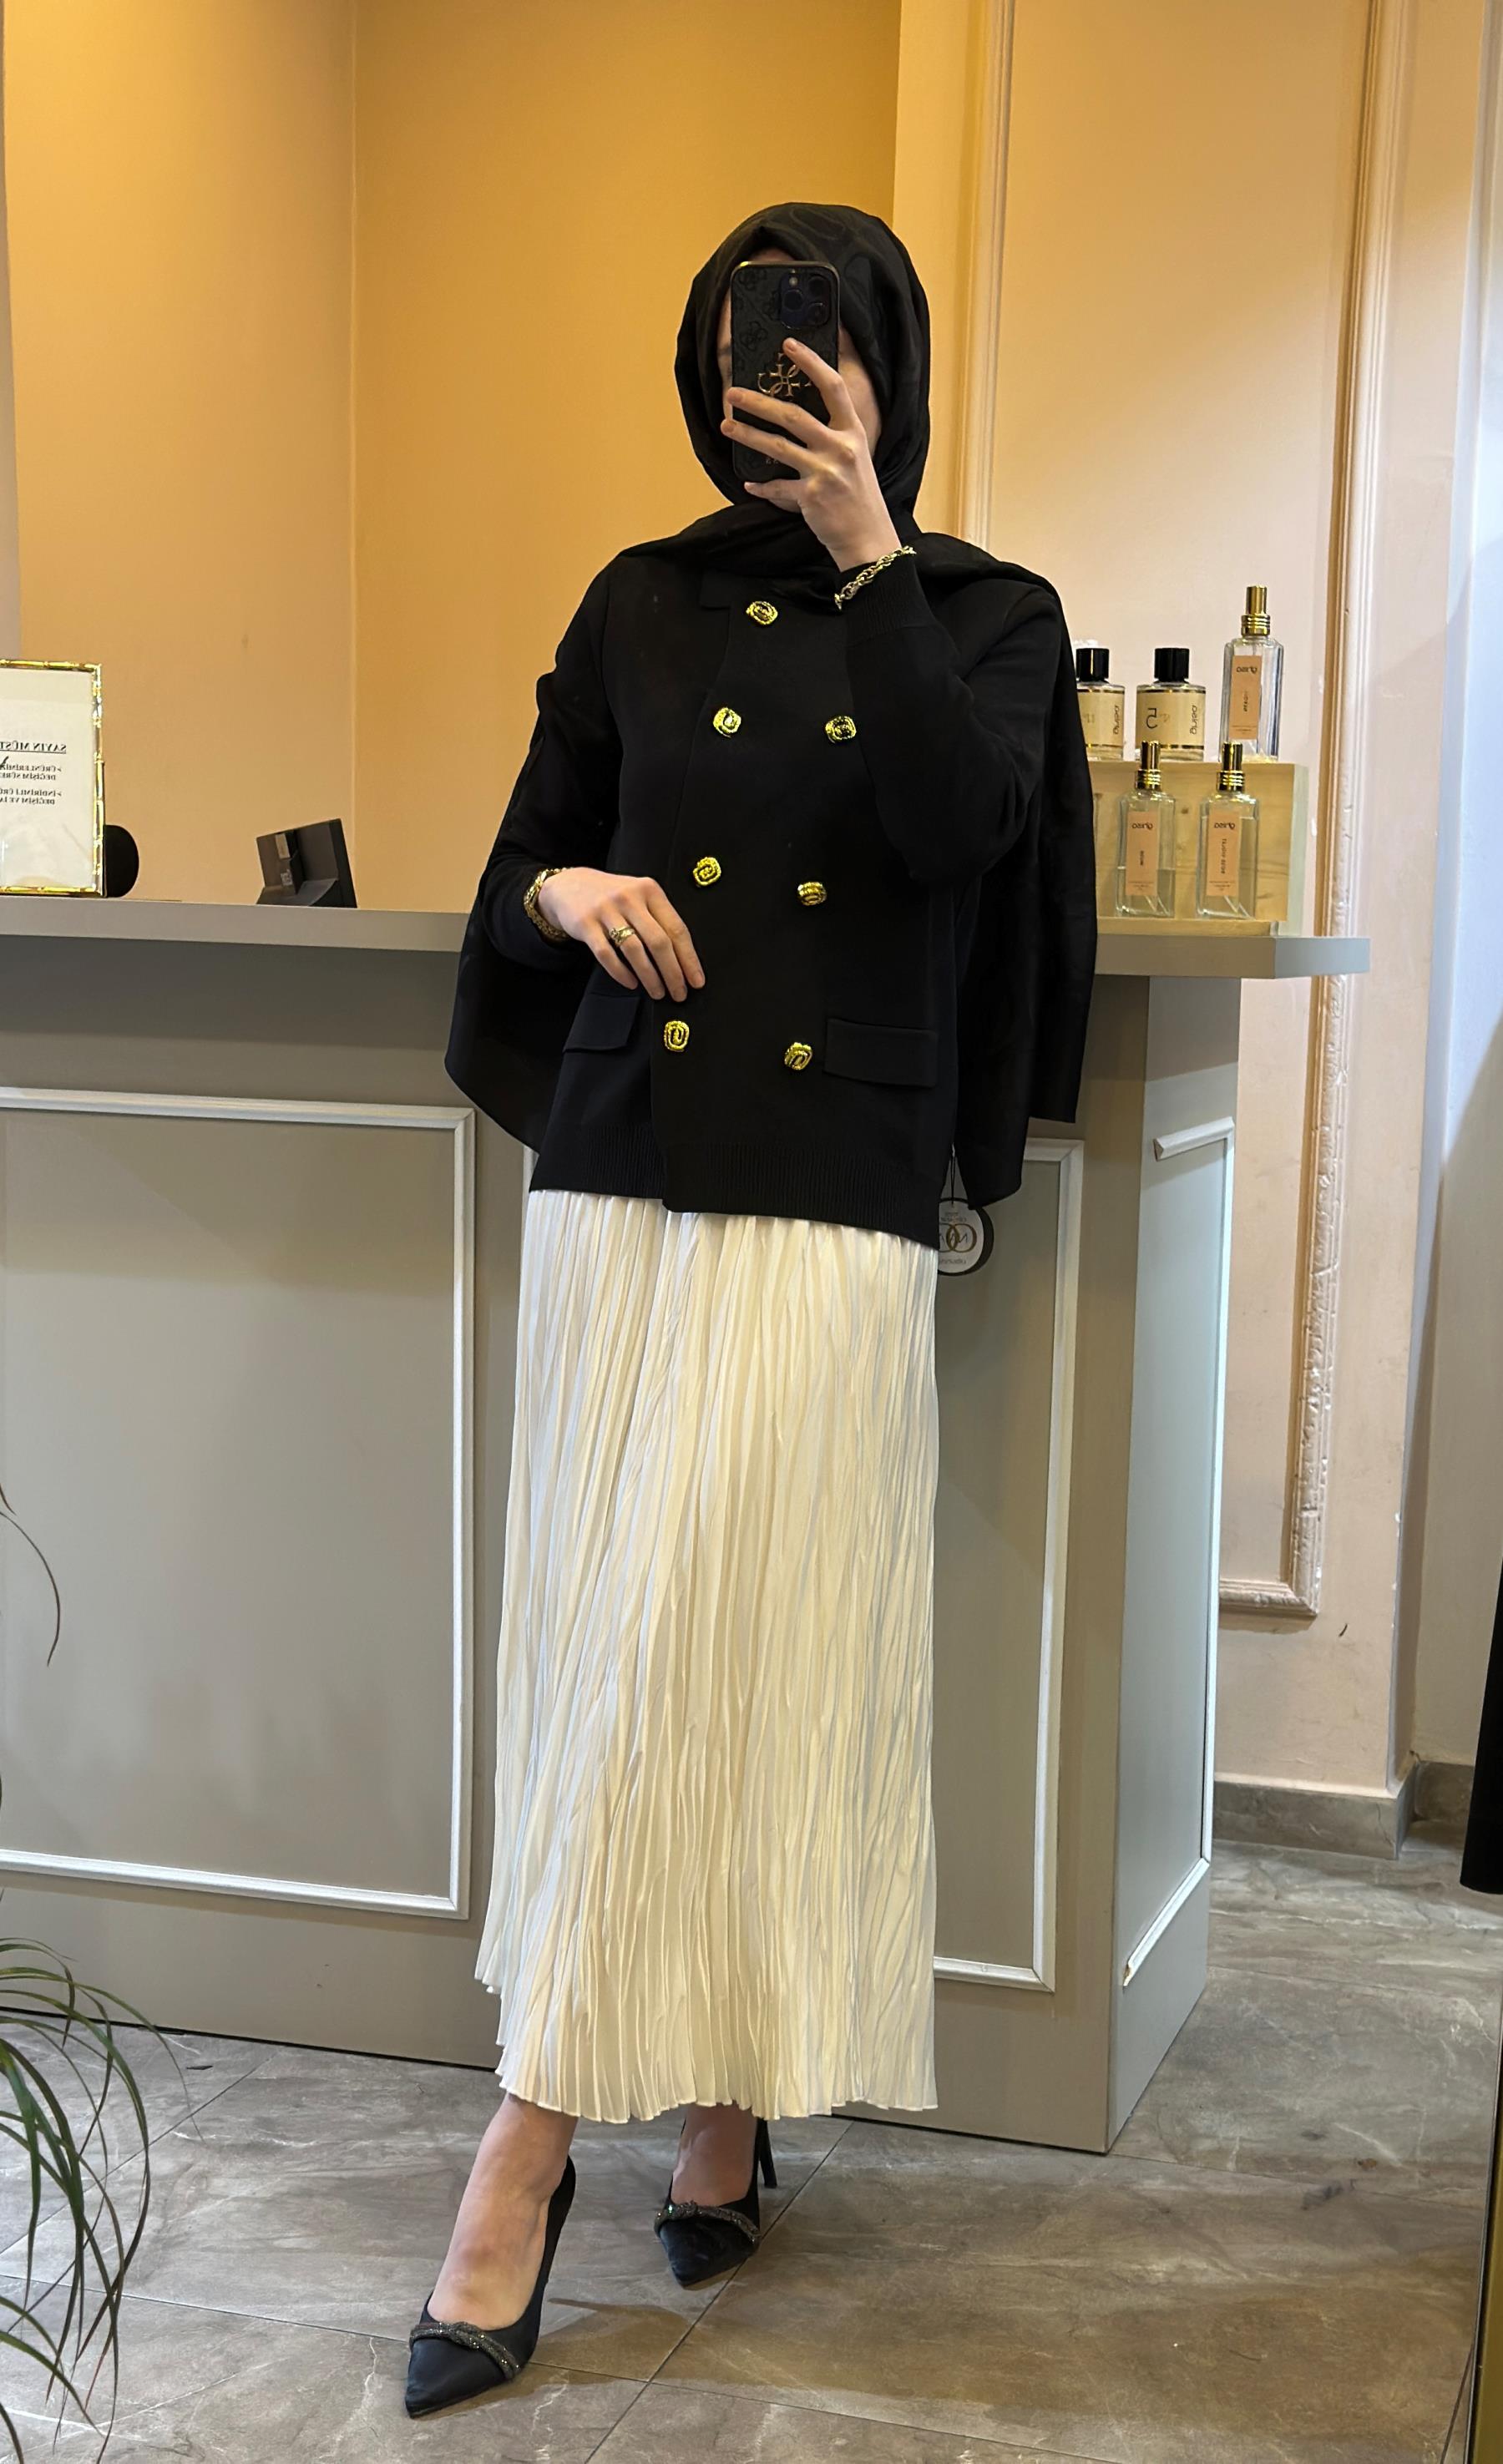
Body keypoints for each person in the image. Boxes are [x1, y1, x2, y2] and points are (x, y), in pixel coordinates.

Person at [406, 199, 1096, 2419]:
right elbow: (519, 860)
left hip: (828, 1197)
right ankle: (702, 2112)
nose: (764, 392)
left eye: (806, 354)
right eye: (733, 355)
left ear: (883, 365)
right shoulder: (637, 597)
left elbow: (964, 831)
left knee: (747, 1653)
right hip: (624, 1177)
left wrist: (872, 548)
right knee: (619, 1652)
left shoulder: (985, 612)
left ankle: (526, 2152)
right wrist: (569, 889)